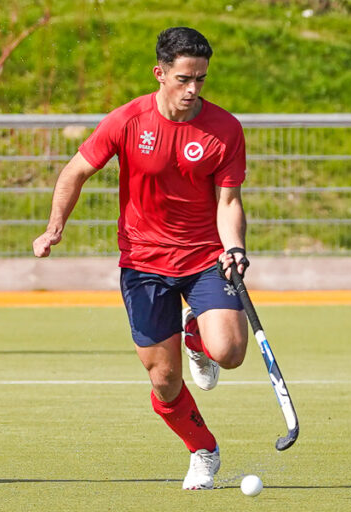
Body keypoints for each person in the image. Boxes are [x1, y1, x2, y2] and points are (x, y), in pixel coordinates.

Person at [32, 27, 251, 490]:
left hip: (204, 256)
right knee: (165, 380)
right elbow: (75, 172)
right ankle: (203, 450)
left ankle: (197, 336)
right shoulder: (128, 120)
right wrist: (55, 226)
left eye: (201, 80)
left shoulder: (225, 129)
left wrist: (235, 248)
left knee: (229, 352)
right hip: (143, 262)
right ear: (161, 73)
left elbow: (228, 202)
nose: (193, 89)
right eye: (184, 79)